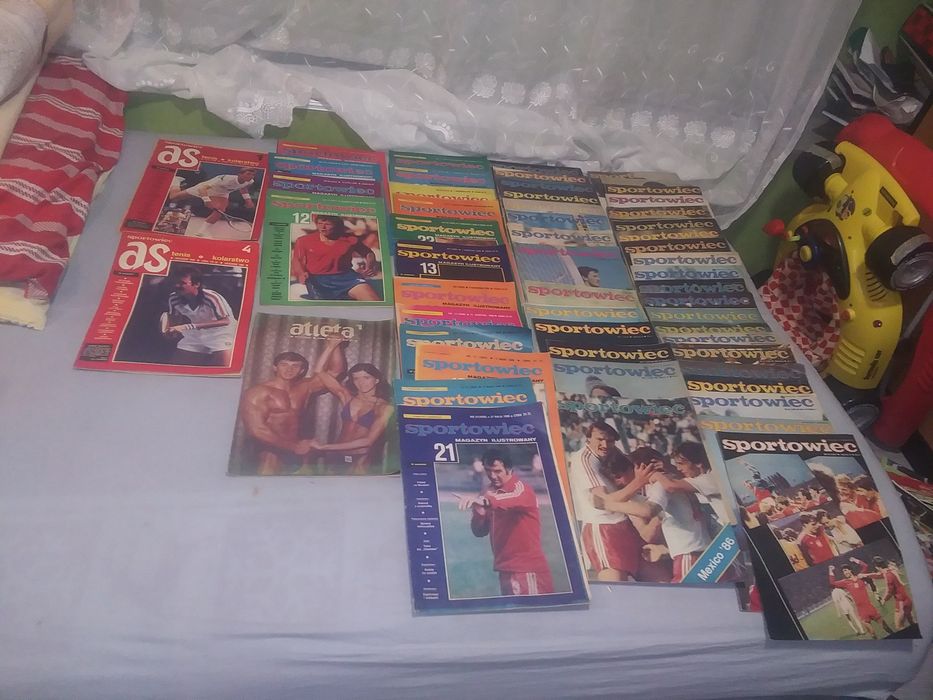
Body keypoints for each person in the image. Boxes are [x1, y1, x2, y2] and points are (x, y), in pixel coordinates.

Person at [455, 450, 554, 596]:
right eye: (488, 470)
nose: (492, 476)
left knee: (531, 610)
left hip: (526, 570)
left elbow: (504, 500)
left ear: (509, 469)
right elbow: (479, 531)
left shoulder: (521, 490)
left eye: (497, 471)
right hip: (505, 569)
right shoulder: (487, 492)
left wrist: (485, 501)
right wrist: (479, 513)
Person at [568, 422, 657, 582]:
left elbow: (630, 468)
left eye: (609, 441)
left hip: (624, 522)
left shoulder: (612, 451)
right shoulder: (584, 460)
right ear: (588, 438)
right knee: (617, 585)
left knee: (658, 579)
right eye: (600, 439)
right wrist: (639, 482)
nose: (605, 445)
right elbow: (604, 502)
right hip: (603, 527)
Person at [239, 343, 347, 476]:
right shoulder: (258, 392)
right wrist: (295, 447)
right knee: (267, 482)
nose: (289, 369)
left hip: (298, 450)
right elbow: (257, 430)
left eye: (295, 366)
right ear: (275, 367)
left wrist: (334, 345)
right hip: (270, 450)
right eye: (284, 365)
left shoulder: (305, 387)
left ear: (301, 370)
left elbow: (335, 372)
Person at [306, 337, 393, 474]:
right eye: (356, 378)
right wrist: (331, 346)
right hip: (337, 456)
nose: (361, 383)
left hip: (360, 459)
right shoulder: (347, 397)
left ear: (376, 380)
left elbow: (368, 441)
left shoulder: (384, 407)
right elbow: (319, 372)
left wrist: (324, 447)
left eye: (366, 378)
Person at [637, 446, 712, 583]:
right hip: (703, 551)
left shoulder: (661, 485)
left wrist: (610, 503)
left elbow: (649, 513)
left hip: (689, 555)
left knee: (686, 595)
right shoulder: (680, 481)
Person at [291, 213, 380, 301]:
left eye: (328, 224)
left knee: (373, 300)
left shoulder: (350, 239)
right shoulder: (303, 240)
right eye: (320, 223)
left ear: (336, 225)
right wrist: (301, 273)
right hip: (318, 280)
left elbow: (368, 253)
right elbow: (297, 259)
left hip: (348, 278)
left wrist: (370, 266)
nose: (323, 227)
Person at [162, 266, 237, 366]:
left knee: (224, 369)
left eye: (182, 283)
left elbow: (226, 321)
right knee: (177, 368)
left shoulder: (212, 297)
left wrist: (188, 326)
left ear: (196, 284)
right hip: (195, 334)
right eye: (175, 282)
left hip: (223, 333)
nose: (177, 285)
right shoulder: (173, 298)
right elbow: (175, 319)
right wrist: (172, 331)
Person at [651, 441, 731, 529]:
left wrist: (657, 475)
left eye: (681, 464)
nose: (678, 469)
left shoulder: (709, 479)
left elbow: (671, 486)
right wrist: (668, 467)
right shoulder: (709, 475)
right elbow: (682, 477)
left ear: (698, 463)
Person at [829, 558, 894, 638]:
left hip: (870, 608)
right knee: (873, 633)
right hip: (862, 612)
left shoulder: (860, 577)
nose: (845, 572)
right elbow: (832, 583)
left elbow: (865, 566)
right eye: (843, 571)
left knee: (886, 627)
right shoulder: (845, 582)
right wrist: (830, 571)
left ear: (850, 570)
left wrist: (855, 560)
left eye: (846, 570)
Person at [169, 168, 257, 225]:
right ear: (240, 174)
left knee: (220, 210)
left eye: (253, 175)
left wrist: (248, 200)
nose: (251, 176)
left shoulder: (250, 181)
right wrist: (206, 200)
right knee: (174, 197)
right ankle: (176, 180)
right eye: (248, 174)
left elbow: (243, 188)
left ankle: (202, 232)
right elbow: (202, 189)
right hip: (205, 189)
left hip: (222, 193)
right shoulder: (226, 179)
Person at [863, 557, 916, 630]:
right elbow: (878, 575)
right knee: (912, 622)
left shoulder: (887, 575)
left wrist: (884, 599)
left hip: (901, 602)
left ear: (877, 567)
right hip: (907, 599)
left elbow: (889, 591)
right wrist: (866, 575)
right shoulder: (890, 571)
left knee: (899, 626)